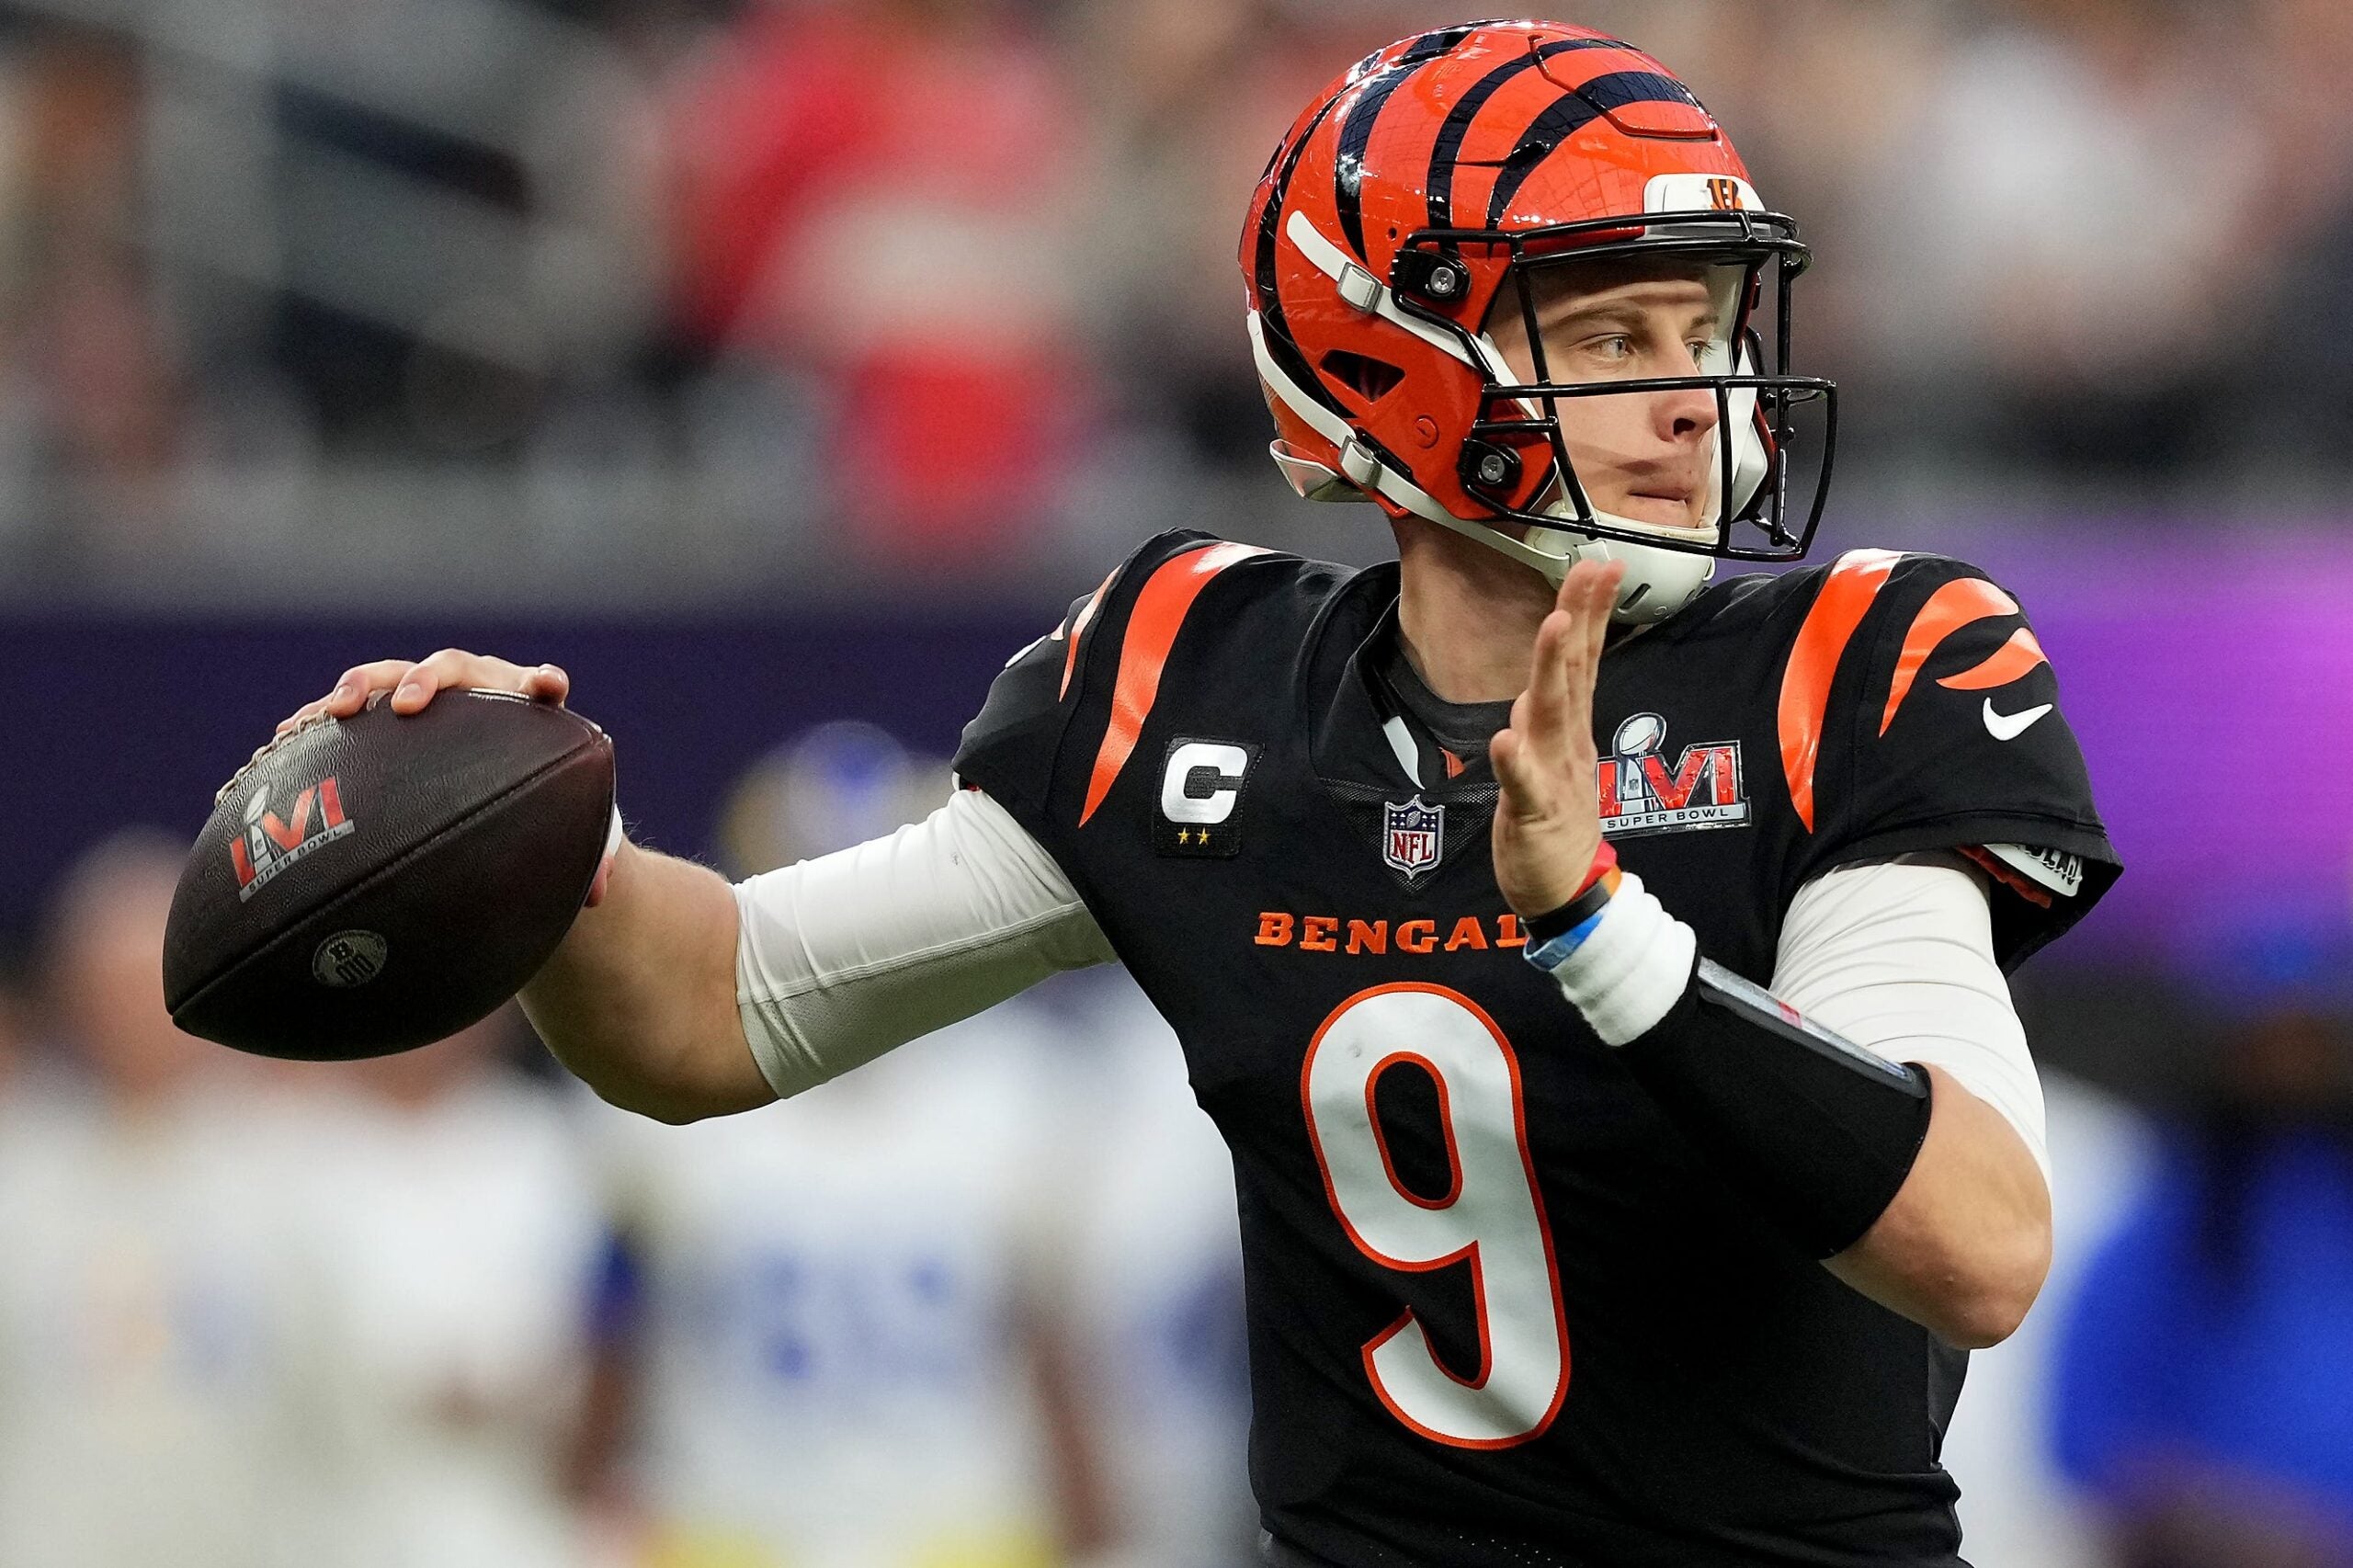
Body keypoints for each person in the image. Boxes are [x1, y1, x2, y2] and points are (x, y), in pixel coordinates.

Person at [279, 21, 2119, 1564]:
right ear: (1381, 353)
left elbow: (1974, 1243)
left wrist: (1596, 931)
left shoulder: (1846, 664)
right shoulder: (1194, 684)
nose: (1689, 403)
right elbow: (704, 1012)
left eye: (1702, 334)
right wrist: (533, 835)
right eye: (1611, 340)